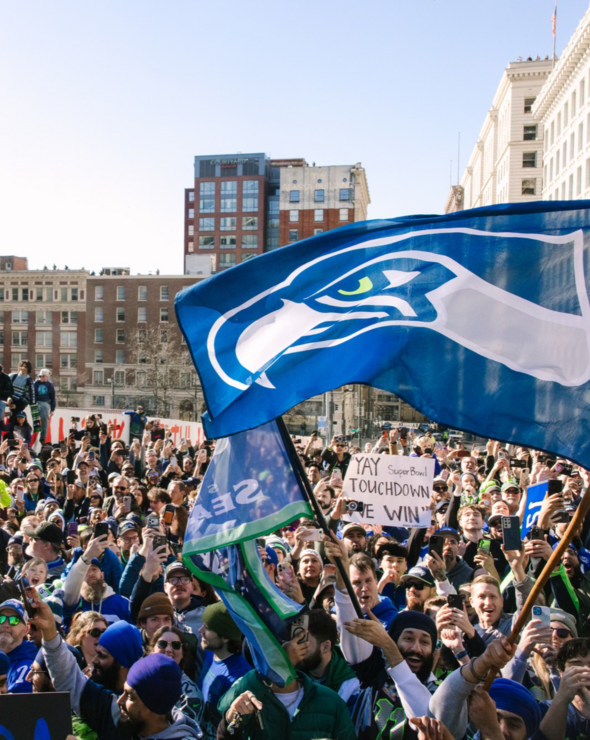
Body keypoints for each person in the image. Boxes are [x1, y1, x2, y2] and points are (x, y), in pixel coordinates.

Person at [198, 601, 251, 738]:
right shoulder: (210, 653)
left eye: (207, 628)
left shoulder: (239, 677)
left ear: (226, 637)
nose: (200, 631)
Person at [149, 625, 203, 724]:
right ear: (152, 649)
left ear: (182, 653)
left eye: (176, 645)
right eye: (162, 644)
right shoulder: (142, 680)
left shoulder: (190, 694)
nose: (169, 650)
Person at [0, 599, 38, 693]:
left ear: (26, 629)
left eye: (14, 620)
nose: (6, 624)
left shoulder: (27, 665)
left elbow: (15, 704)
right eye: (1, 618)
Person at [33, 369, 55, 445]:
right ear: (42, 376)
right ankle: (35, 431)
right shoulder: (35, 384)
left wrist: (52, 409)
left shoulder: (49, 385)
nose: (47, 379)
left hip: (45, 402)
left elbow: (52, 397)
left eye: (48, 377)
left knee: (45, 419)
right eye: (46, 377)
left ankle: (43, 438)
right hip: (36, 402)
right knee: (36, 419)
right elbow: (32, 395)